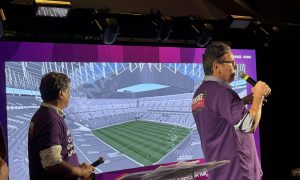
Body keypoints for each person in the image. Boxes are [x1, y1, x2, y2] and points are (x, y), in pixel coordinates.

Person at [192, 42, 271, 180]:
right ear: (217, 67)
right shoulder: (222, 92)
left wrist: (246, 100)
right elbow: (248, 126)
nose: (235, 67)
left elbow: (219, 119)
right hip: (239, 173)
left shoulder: (200, 93)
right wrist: (258, 95)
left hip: (221, 173)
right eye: (231, 62)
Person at [28, 72, 95, 180]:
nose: (69, 95)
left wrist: (77, 167)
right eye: (68, 91)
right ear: (61, 94)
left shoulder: (44, 114)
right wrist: (79, 172)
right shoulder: (50, 119)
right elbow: (51, 162)